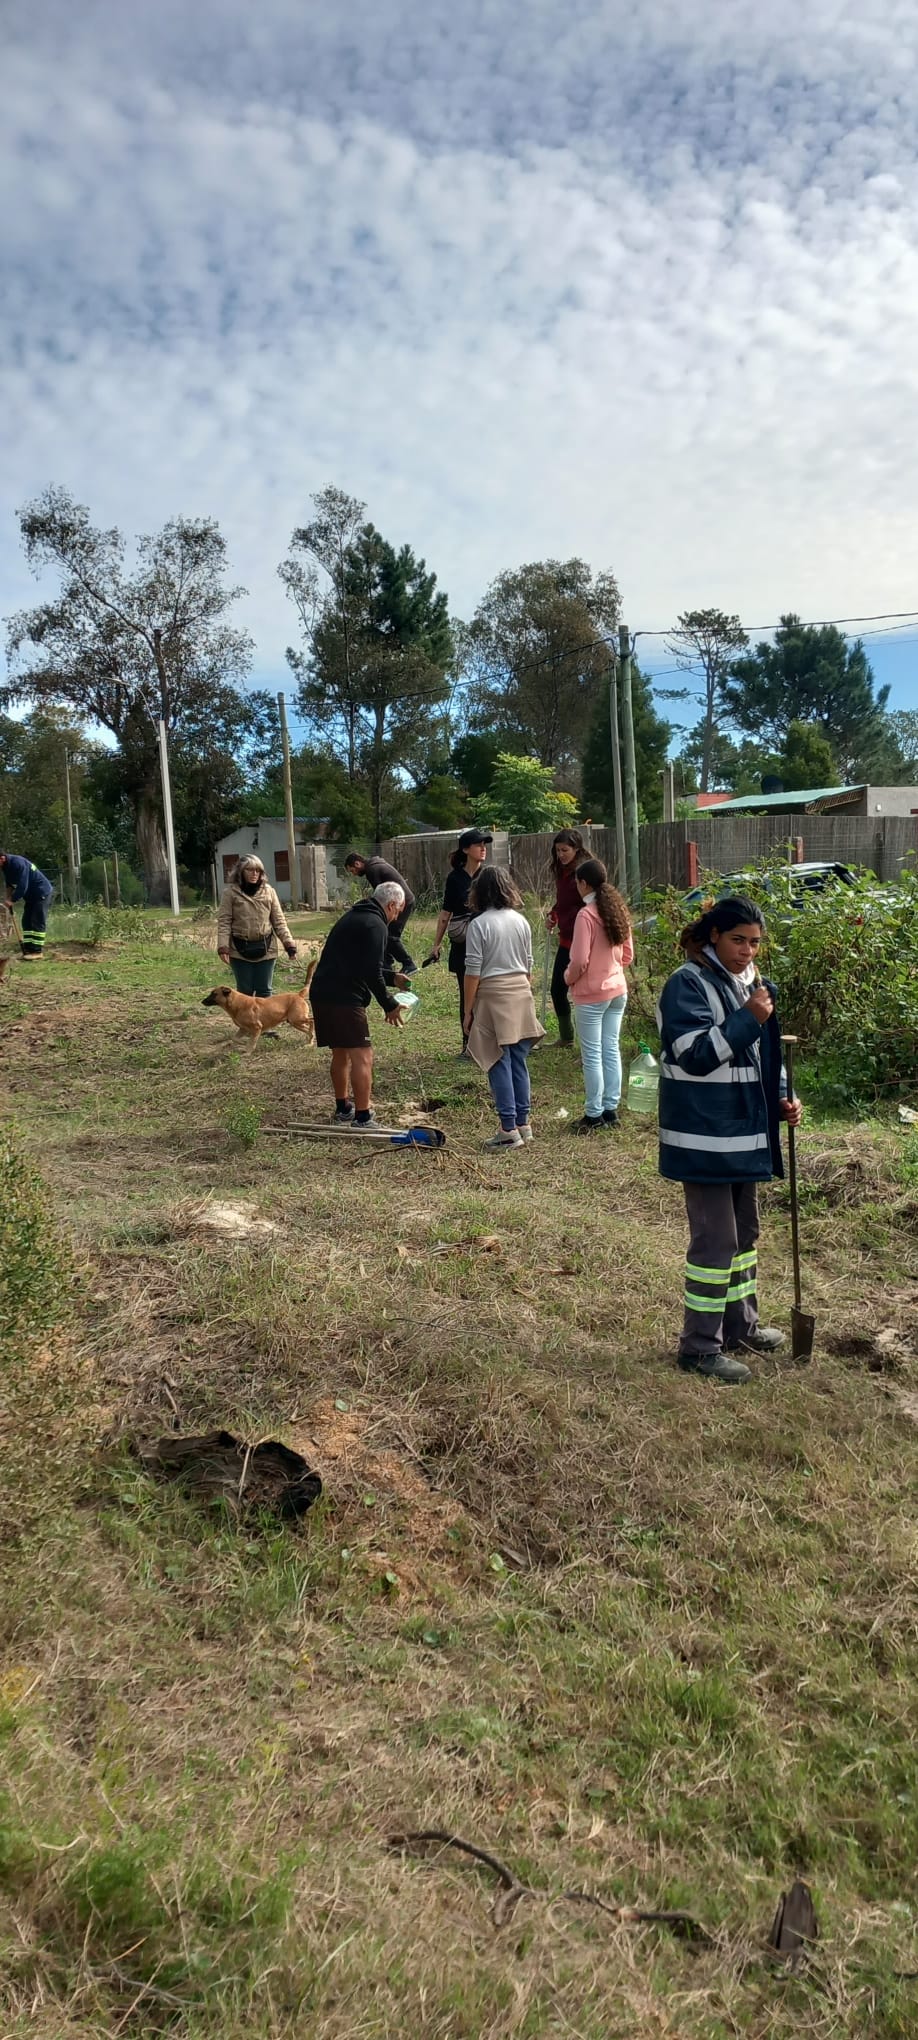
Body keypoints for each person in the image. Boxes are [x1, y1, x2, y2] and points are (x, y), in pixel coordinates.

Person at [656, 896, 803, 1385]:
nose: (747, 950)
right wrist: (748, 1020)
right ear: (714, 936)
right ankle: (699, 1347)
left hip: (744, 1132)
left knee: (745, 1235)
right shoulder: (687, 983)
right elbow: (692, 1054)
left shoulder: (754, 984)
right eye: (738, 940)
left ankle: (742, 1326)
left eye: (755, 942)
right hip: (704, 1135)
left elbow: (764, 1059)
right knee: (715, 1240)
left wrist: (784, 1096)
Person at [309, 881, 407, 1126]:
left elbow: (360, 964)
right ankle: (363, 1116)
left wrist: (392, 977)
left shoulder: (355, 916)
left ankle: (343, 1108)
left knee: (340, 1052)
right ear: (391, 904)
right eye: (398, 910)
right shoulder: (376, 925)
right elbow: (370, 972)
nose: (396, 917)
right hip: (344, 997)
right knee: (363, 1055)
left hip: (323, 991)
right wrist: (389, 1004)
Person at [463, 867, 545, 1149]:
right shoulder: (521, 920)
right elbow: (529, 964)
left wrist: (468, 1010)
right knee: (518, 1059)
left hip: (493, 995)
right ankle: (523, 1123)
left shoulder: (479, 924)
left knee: (498, 1060)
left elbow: (473, 971)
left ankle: (508, 1129)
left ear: (479, 892)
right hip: (521, 992)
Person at [564, 858, 633, 1133]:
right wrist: (611, 969)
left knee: (592, 1054)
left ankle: (593, 1114)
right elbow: (628, 955)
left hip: (592, 994)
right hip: (618, 989)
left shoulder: (586, 915)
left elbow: (579, 960)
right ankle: (610, 1110)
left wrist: (567, 978)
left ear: (584, 883)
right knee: (611, 1049)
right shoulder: (617, 909)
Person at [428, 828, 492, 1057]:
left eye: (485, 844)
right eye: (478, 844)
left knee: (487, 994)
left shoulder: (488, 876)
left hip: (487, 942)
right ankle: (468, 1045)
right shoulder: (455, 878)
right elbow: (446, 913)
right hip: (463, 944)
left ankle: (488, 1044)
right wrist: (436, 945)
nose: (483, 848)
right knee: (468, 995)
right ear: (466, 849)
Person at [217, 857, 297, 1012]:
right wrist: (223, 947)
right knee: (244, 991)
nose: (255, 873)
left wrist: (289, 944)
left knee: (264, 990)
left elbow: (279, 921)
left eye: (258, 870)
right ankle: (247, 1024)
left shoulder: (269, 892)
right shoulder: (230, 893)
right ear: (241, 872)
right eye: (250, 870)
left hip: (266, 948)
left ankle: (265, 1025)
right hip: (239, 948)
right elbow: (224, 922)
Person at [344, 852, 417, 974]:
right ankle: (386, 966)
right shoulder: (375, 866)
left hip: (401, 903)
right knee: (385, 933)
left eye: (353, 871)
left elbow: (380, 897)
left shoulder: (372, 870)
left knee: (390, 936)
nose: (354, 874)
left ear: (357, 863)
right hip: (400, 900)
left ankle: (408, 964)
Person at [546, 829, 586, 1044]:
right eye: (557, 850)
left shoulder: (583, 874)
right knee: (557, 989)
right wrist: (553, 914)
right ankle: (567, 1037)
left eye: (565, 850)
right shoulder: (561, 872)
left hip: (583, 942)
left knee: (584, 994)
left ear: (576, 849)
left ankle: (588, 1041)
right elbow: (562, 903)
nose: (560, 854)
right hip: (565, 941)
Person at [0, 852, 54, 960]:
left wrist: (13, 900)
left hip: (41, 892)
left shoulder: (18, 863)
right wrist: (8, 898)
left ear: (2, 858)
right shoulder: (5, 866)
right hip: (30, 896)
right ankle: (28, 950)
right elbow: (9, 884)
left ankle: (37, 951)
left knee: (37, 920)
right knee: (26, 921)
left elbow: (23, 886)